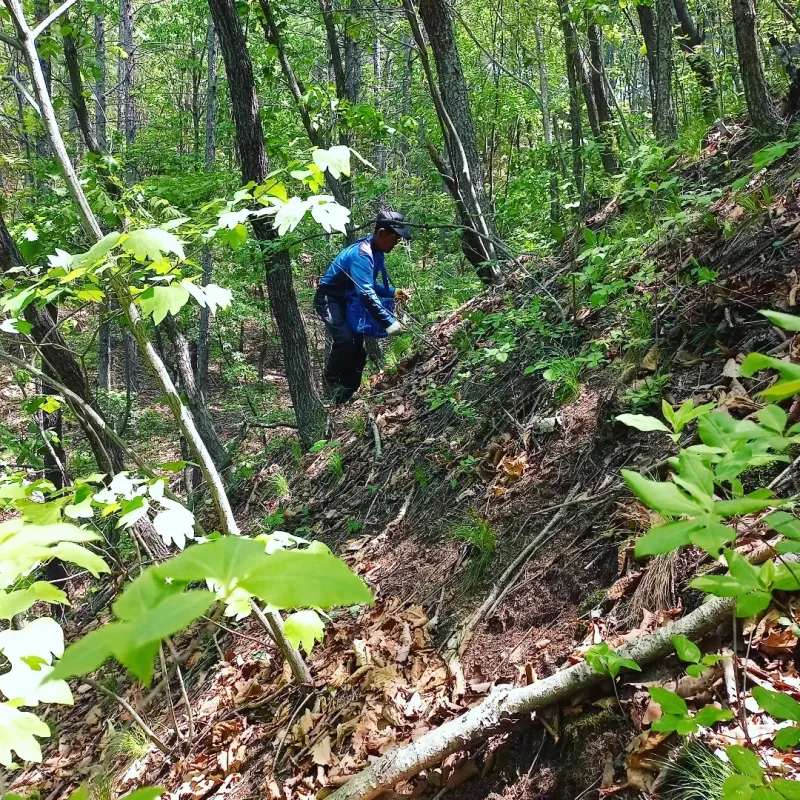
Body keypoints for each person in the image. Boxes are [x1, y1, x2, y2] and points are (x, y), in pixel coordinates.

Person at [315, 210, 412, 404]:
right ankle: (329, 381)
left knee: (358, 352)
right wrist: (389, 322)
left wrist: (392, 291)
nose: (396, 243)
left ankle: (345, 398)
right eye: (395, 238)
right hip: (330, 299)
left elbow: (368, 284)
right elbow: (366, 292)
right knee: (345, 340)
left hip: (349, 300)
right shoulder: (362, 254)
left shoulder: (376, 252)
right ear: (382, 233)